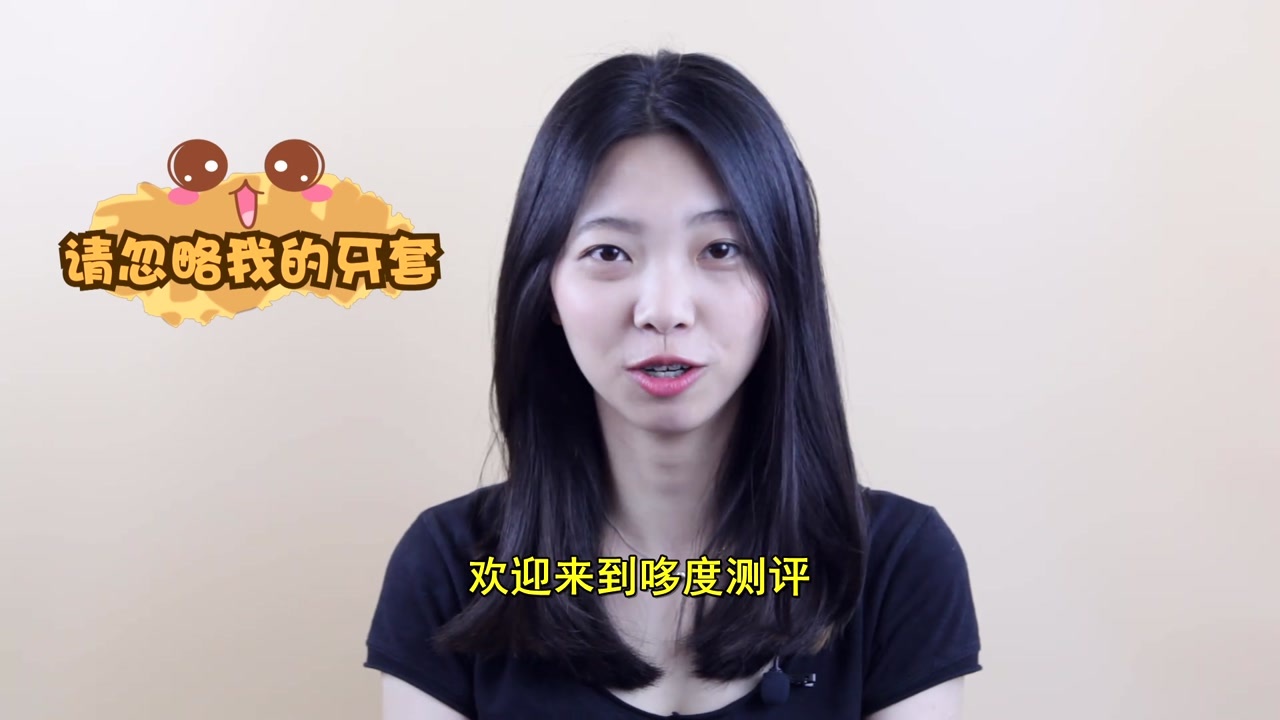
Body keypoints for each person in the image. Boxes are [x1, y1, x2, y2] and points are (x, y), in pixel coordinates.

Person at [364, 49, 981, 719]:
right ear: (546, 289)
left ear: (783, 281)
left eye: (721, 249)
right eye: (609, 253)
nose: (663, 309)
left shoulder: (895, 565)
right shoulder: (452, 569)